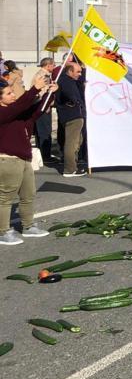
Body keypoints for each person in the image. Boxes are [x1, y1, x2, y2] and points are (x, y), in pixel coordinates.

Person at [0, 70, 57, 245]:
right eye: (9, 93)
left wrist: (49, 93)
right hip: (8, 160)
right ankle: (3, 232)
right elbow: (21, 106)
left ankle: (28, 226)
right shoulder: (4, 113)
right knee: (6, 197)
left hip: (24, 159)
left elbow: (36, 111)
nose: (13, 95)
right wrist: (34, 89)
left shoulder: (14, 111)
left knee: (28, 194)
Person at [56, 61, 87, 178]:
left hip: (74, 114)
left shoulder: (70, 80)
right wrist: (77, 101)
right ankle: (70, 169)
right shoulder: (65, 81)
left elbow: (79, 83)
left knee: (77, 141)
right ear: (69, 71)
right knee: (72, 143)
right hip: (72, 115)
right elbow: (70, 94)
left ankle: (73, 163)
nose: (80, 74)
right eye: (78, 71)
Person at [33, 57, 56, 164]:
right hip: (42, 106)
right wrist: (46, 105)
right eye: (53, 65)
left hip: (38, 106)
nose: (54, 67)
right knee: (45, 131)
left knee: (40, 131)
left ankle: (42, 154)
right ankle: (45, 156)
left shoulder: (39, 74)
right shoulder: (44, 76)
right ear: (48, 65)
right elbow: (42, 93)